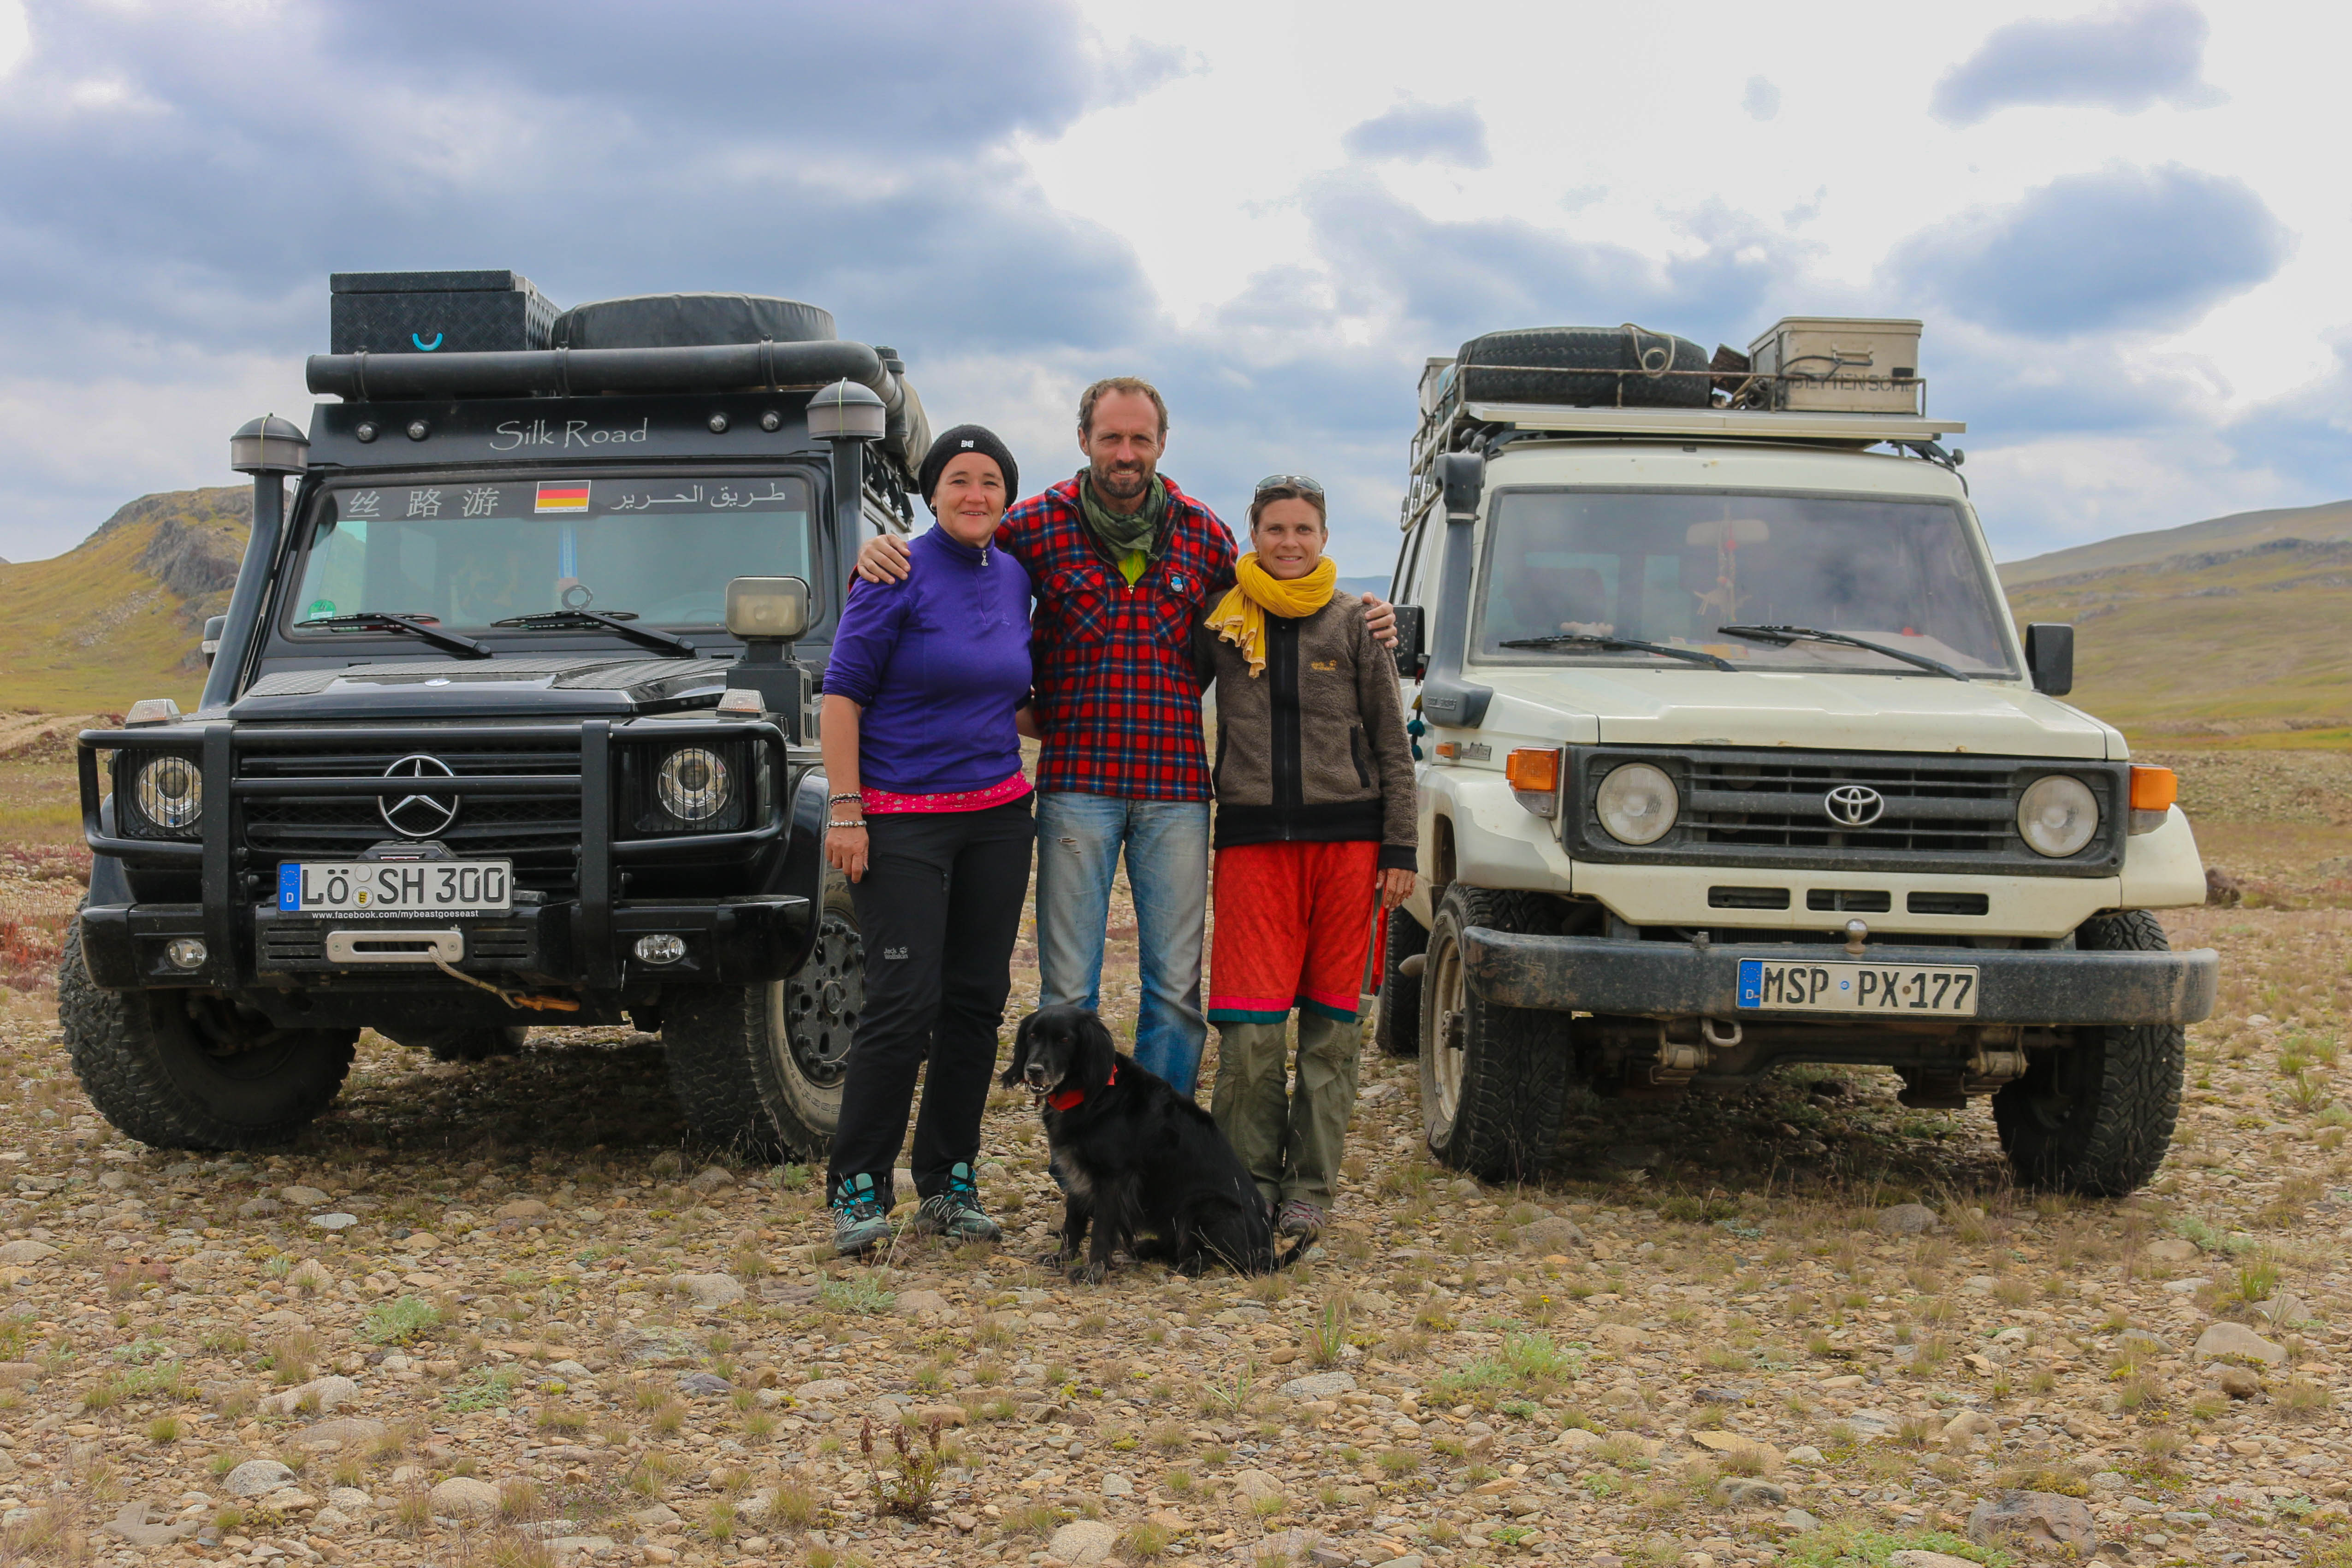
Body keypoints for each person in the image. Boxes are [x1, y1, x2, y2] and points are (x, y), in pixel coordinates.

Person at [855, 379, 1393, 1096]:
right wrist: (883, 551)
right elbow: (962, 563)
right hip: (1076, 786)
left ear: (1162, 443)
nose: (1125, 453)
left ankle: (1156, 1134)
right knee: (1068, 990)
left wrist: (1365, 612)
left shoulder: (1205, 535)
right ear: (1084, 439)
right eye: (1111, 437)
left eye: (1140, 438)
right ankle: (1080, 1135)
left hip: (1176, 790)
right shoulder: (1034, 525)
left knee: (1173, 990)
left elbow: (1275, 597)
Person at [818, 425, 1036, 1256]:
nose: (974, 494)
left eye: (990, 481)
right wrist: (847, 810)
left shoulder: (1013, 574)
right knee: (903, 1001)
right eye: (958, 479)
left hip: (997, 817)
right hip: (900, 815)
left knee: (976, 1001)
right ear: (932, 492)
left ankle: (947, 1182)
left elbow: (1010, 693)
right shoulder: (893, 569)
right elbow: (842, 696)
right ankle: (858, 1186)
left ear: (1006, 497)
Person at [1197, 476, 1416, 1244]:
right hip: (1253, 847)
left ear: (1323, 536)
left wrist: (1400, 844)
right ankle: (1247, 1183)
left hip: (1349, 848)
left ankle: (1309, 1189)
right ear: (1252, 535)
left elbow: (1391, 741)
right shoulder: (1222, 620)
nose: (1288, 542)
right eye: (1274, 528)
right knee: (1249, 1030)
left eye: (1302, 529)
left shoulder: (1357, 621)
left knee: (1331, 1027)